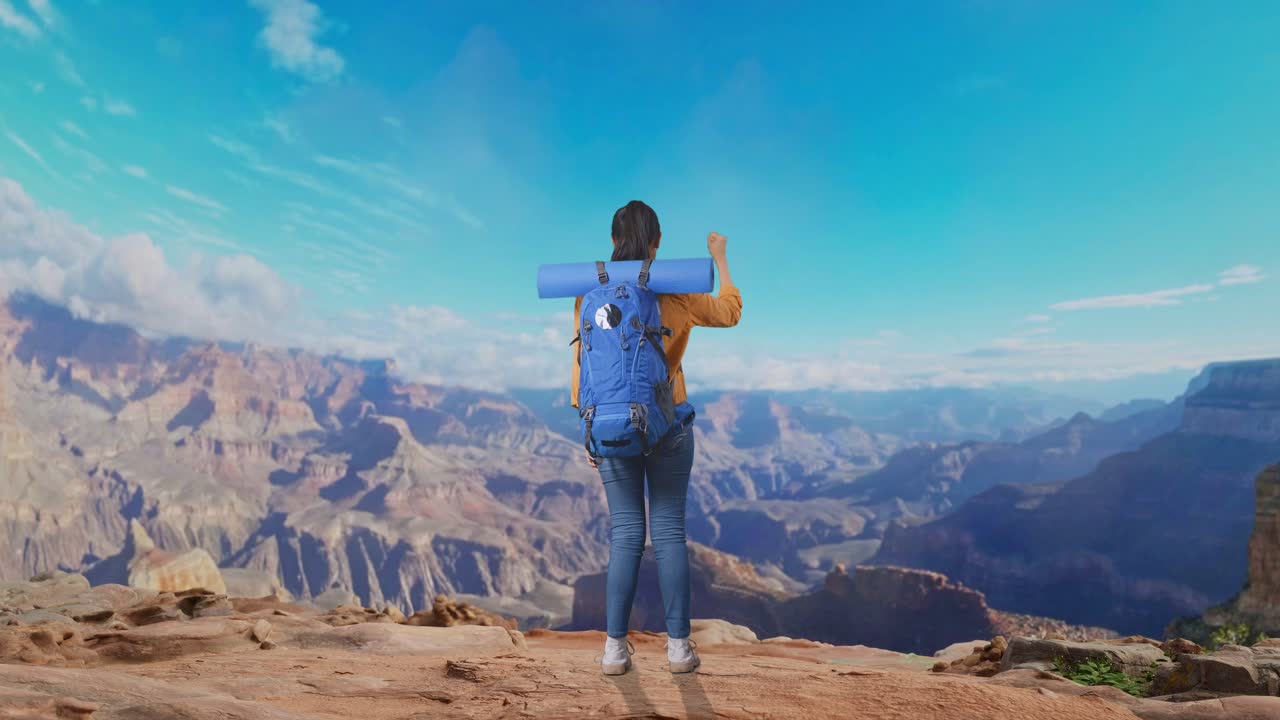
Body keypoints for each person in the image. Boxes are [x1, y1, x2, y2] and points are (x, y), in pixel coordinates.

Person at [570, 200, 742, 675]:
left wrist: (591, 428)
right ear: (657, 242)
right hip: (669, 426)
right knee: (667, 534)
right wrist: (721, 258)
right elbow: (730, 313)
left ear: (612, 241)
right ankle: (679, 649)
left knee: (625, 535)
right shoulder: (676, 291)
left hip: (608, 424)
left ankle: (614, 650)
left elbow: (583, 364)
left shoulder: (587, 295)